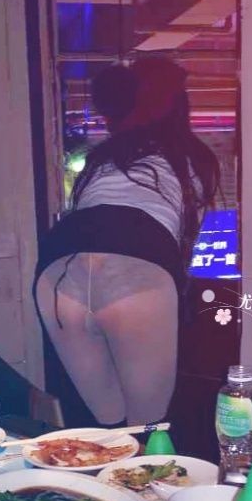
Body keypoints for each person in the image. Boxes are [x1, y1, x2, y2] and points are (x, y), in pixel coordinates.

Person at [35, 55, 221, 426]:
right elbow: (182, 247)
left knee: (105, 423)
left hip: (61, 260)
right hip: (137, 254)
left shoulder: (102, 159)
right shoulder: (192, 159)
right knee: (148, 425)